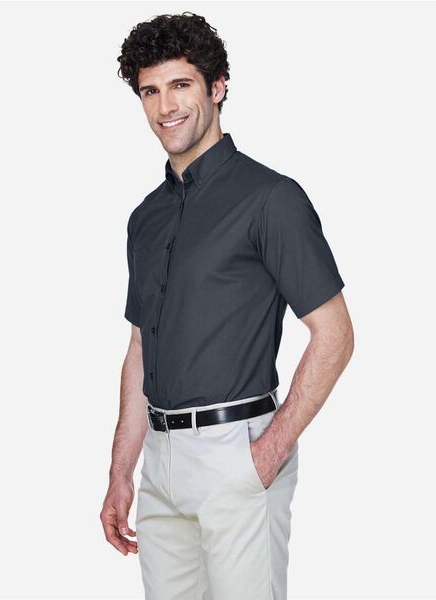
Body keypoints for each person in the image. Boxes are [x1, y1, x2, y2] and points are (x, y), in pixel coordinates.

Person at [101, 11, 354, 600]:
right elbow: (140, 348)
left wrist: (267, 454)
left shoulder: (271, 199)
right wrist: (121, 472)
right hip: (159, 464)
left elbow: (335, 333)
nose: (166, 106)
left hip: (236, 452)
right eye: (150, 91)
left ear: (217, 87)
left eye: (180, 84)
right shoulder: (145, 217)